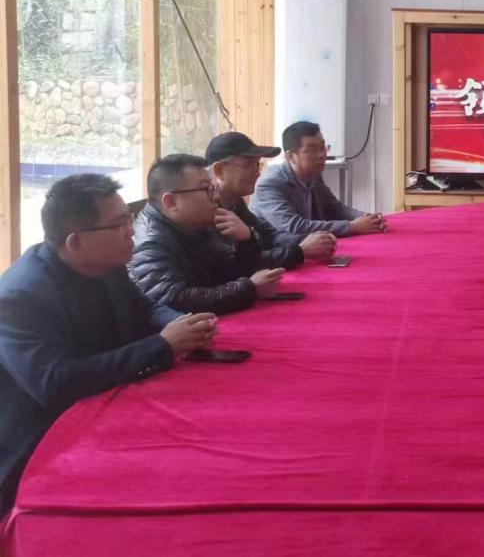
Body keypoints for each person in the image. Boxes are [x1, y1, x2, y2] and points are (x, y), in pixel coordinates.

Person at [0, 174, 218, 511]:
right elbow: (56, 383)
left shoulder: (105, 264)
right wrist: (163, 345)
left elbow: (146, 308)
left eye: (128, 219)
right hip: (41, 443)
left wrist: (181, 323)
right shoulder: (20, 296)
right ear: (75, 242)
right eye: (118, 225)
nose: (132, 231)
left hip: (111, 406)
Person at [130, 154, 285, 314]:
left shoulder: (194, 224)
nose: (215, 196)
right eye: (206, 189)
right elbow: (175, 300)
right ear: (171, 202)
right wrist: (249, 289)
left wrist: (246, 240)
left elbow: (227, 272)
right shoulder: (149, 242)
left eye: (213, 188)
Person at [206, 131, 337, 268]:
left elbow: (267, 236)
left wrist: (311, 240)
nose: (257, 173)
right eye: (248, 165)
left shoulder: (235, 202)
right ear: (219, 170)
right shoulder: (205, 212)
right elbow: (235, 265)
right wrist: (300, 251)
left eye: (258, 164)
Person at [251, 121, 386, 238]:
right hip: (276, 250)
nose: (322, 155)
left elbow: (335, 208)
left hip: (306, 245)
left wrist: (366, 218)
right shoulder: (270, 183)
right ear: (291, 157)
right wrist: (352, 226)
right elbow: (294, 226)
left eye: (322, 147)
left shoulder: (313, 174)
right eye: (312, 150)